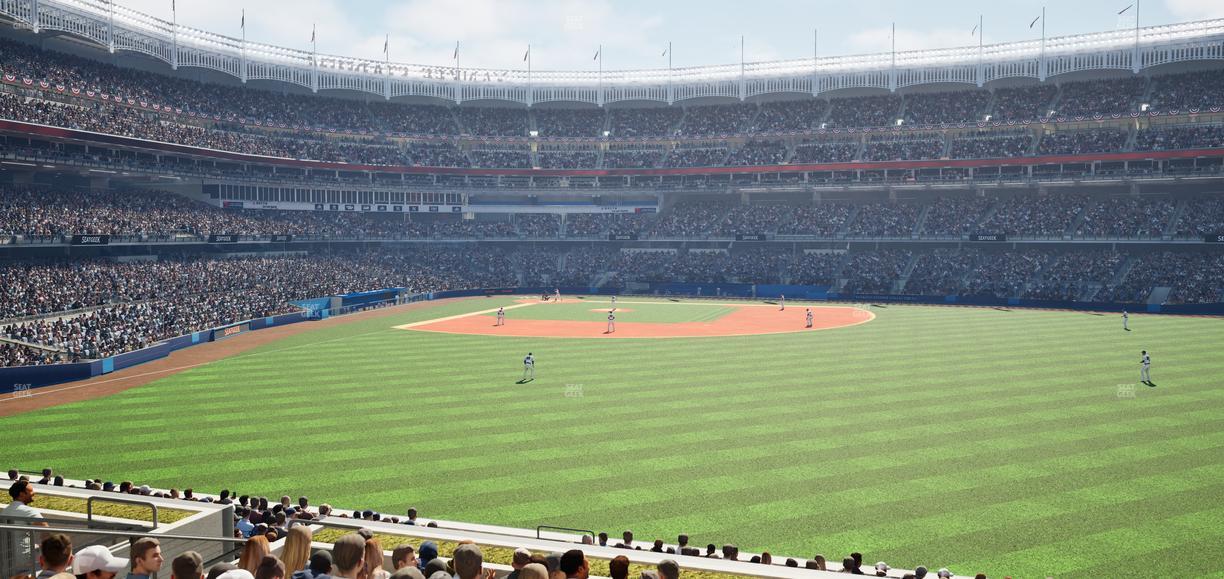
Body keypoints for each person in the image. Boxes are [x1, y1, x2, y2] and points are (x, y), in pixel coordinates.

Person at [3, 479, 47, 570]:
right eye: (31, 491)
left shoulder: (4, 511)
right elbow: (47, 532)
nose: (34, 492)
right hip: (25, 562)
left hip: (7, 562)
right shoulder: (28, 511)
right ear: (21, 494)